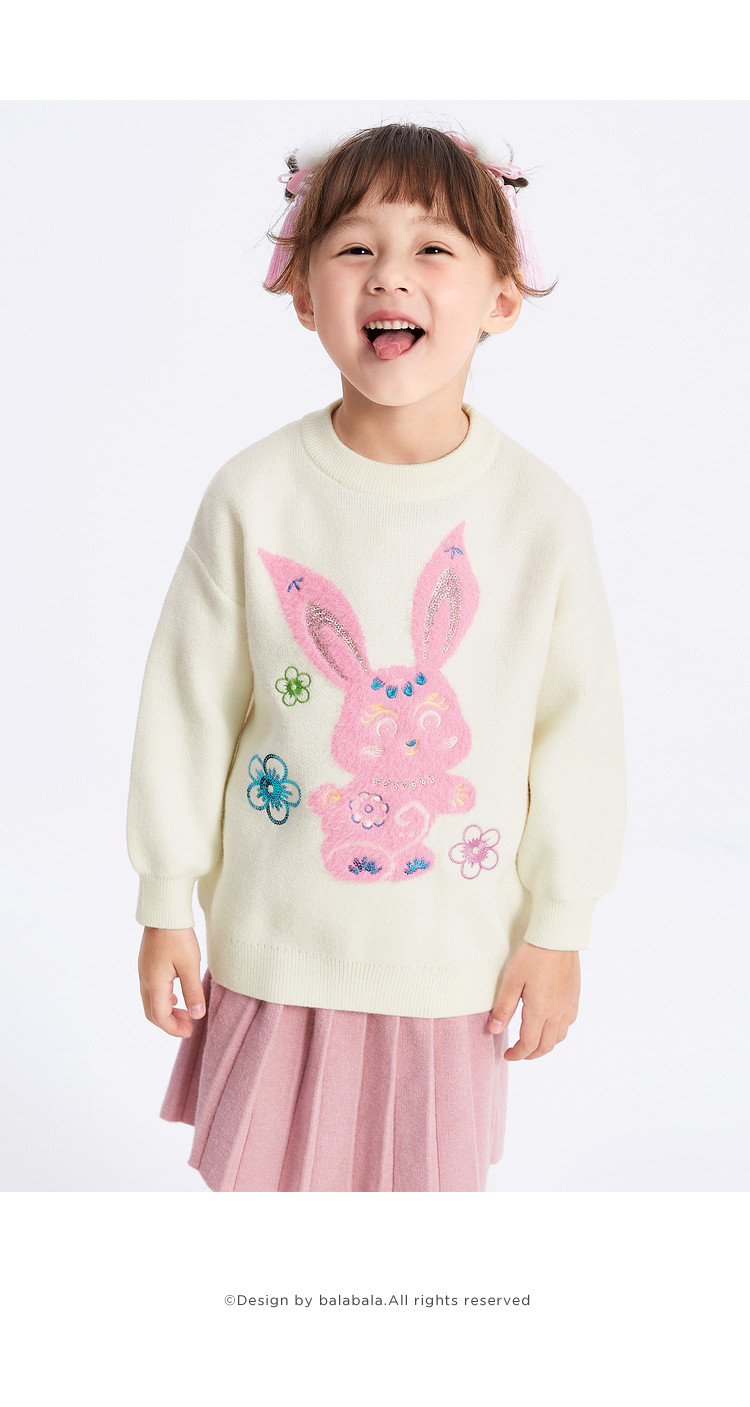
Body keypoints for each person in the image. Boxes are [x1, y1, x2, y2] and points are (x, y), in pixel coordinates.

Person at [126, 121, 626, 1193]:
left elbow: (578, 735)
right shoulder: (256, 495)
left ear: (502, 298)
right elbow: (187, 706)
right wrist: (166, 896)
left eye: (433, 248)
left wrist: (560, 925)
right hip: (275, 945)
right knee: (260, 1203)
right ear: (303, 295)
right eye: (355, 247)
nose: (390, 274)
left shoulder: (539, 517)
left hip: (452, 961)